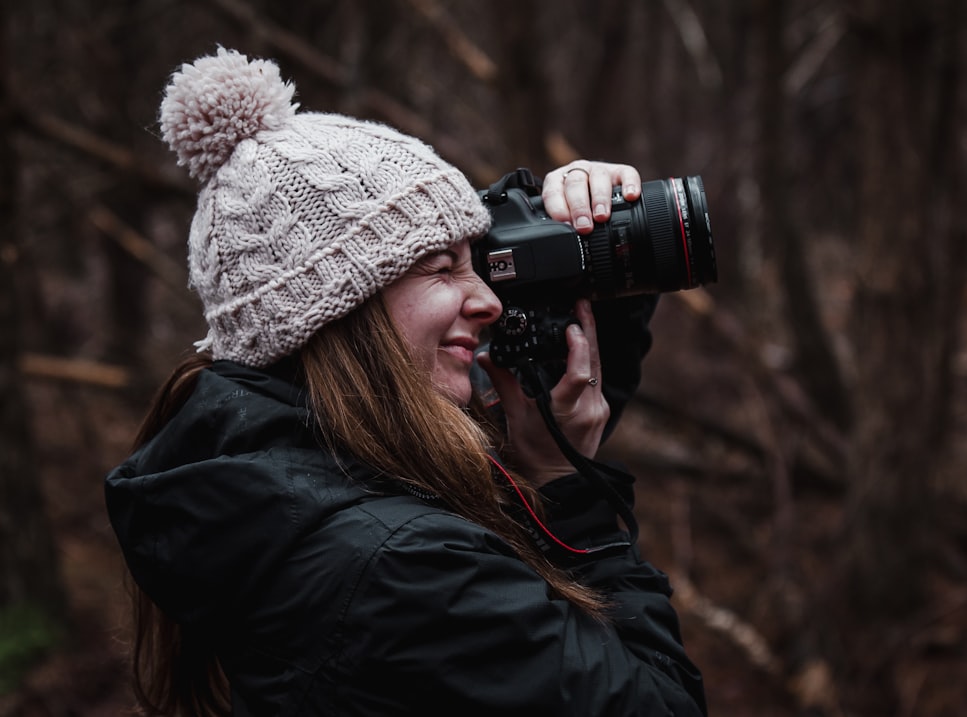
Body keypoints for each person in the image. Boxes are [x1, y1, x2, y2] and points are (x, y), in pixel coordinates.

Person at [105, 47, 707, 716]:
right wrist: (573, 498)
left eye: (478, 262)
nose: (489, 301)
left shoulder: (298, 490)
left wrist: (602, 283)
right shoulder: (400, 568)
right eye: (443, 267)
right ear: (338, 309)